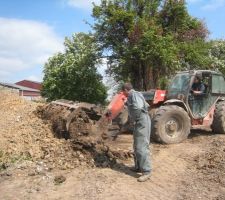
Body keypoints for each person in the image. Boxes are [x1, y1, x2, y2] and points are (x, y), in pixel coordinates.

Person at [122, 82, 151, 182]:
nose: (123, 93)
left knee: (141, 147)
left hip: (142, 121)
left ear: (126, 90)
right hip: (138, 122)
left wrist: (133, 118)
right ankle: (138, 166)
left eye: (123, 92)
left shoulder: (134, 94)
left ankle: (146, 171)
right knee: (136, 145)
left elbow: (138, 107)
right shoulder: (131, 96)